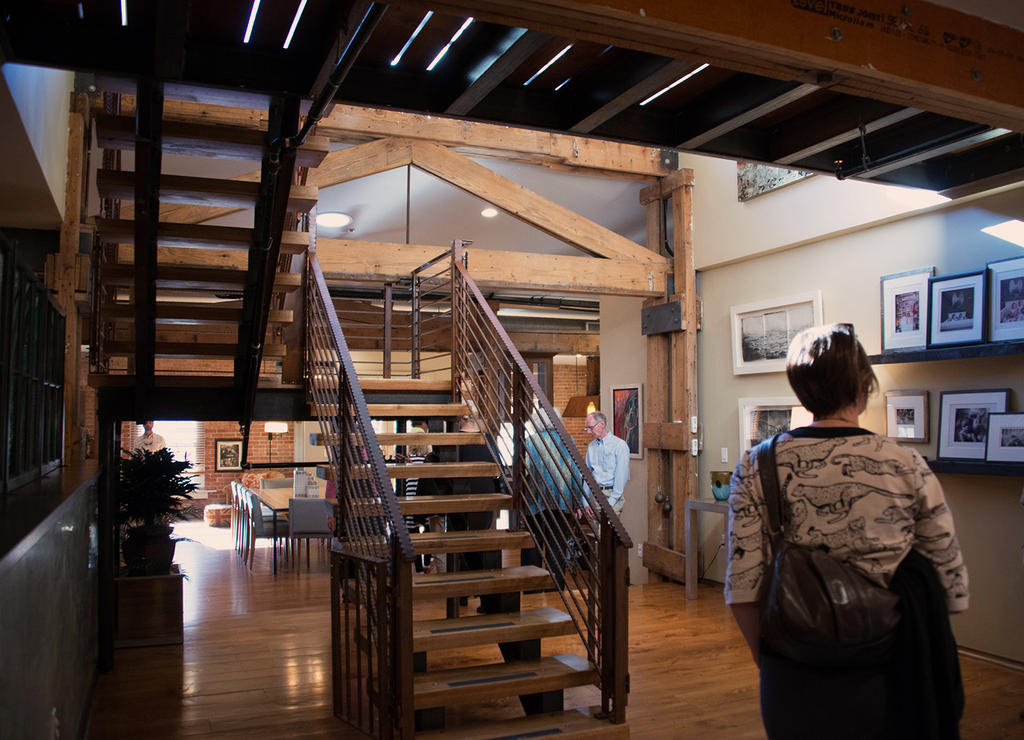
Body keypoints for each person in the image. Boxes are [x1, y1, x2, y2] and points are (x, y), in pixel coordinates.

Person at [726, 323, 969, 739]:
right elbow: (952, 588)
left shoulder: (758, 465)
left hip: (792, 670)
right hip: (890, 665)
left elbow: (742, 589)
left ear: (800, 388)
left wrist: (769, 661)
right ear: (862, 386)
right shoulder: (904, 464)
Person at [584, 410, 629, 516]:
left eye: (590, 428)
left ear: (602, 424)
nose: (588, 432)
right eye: (587, 428)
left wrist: (611, 502)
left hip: (611, 496)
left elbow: (621, 476)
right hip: (593, 495)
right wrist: (585, 501)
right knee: (596, 532)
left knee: (608, 532)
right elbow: (587, 474)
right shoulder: (591, 447)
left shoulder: (619, 445)